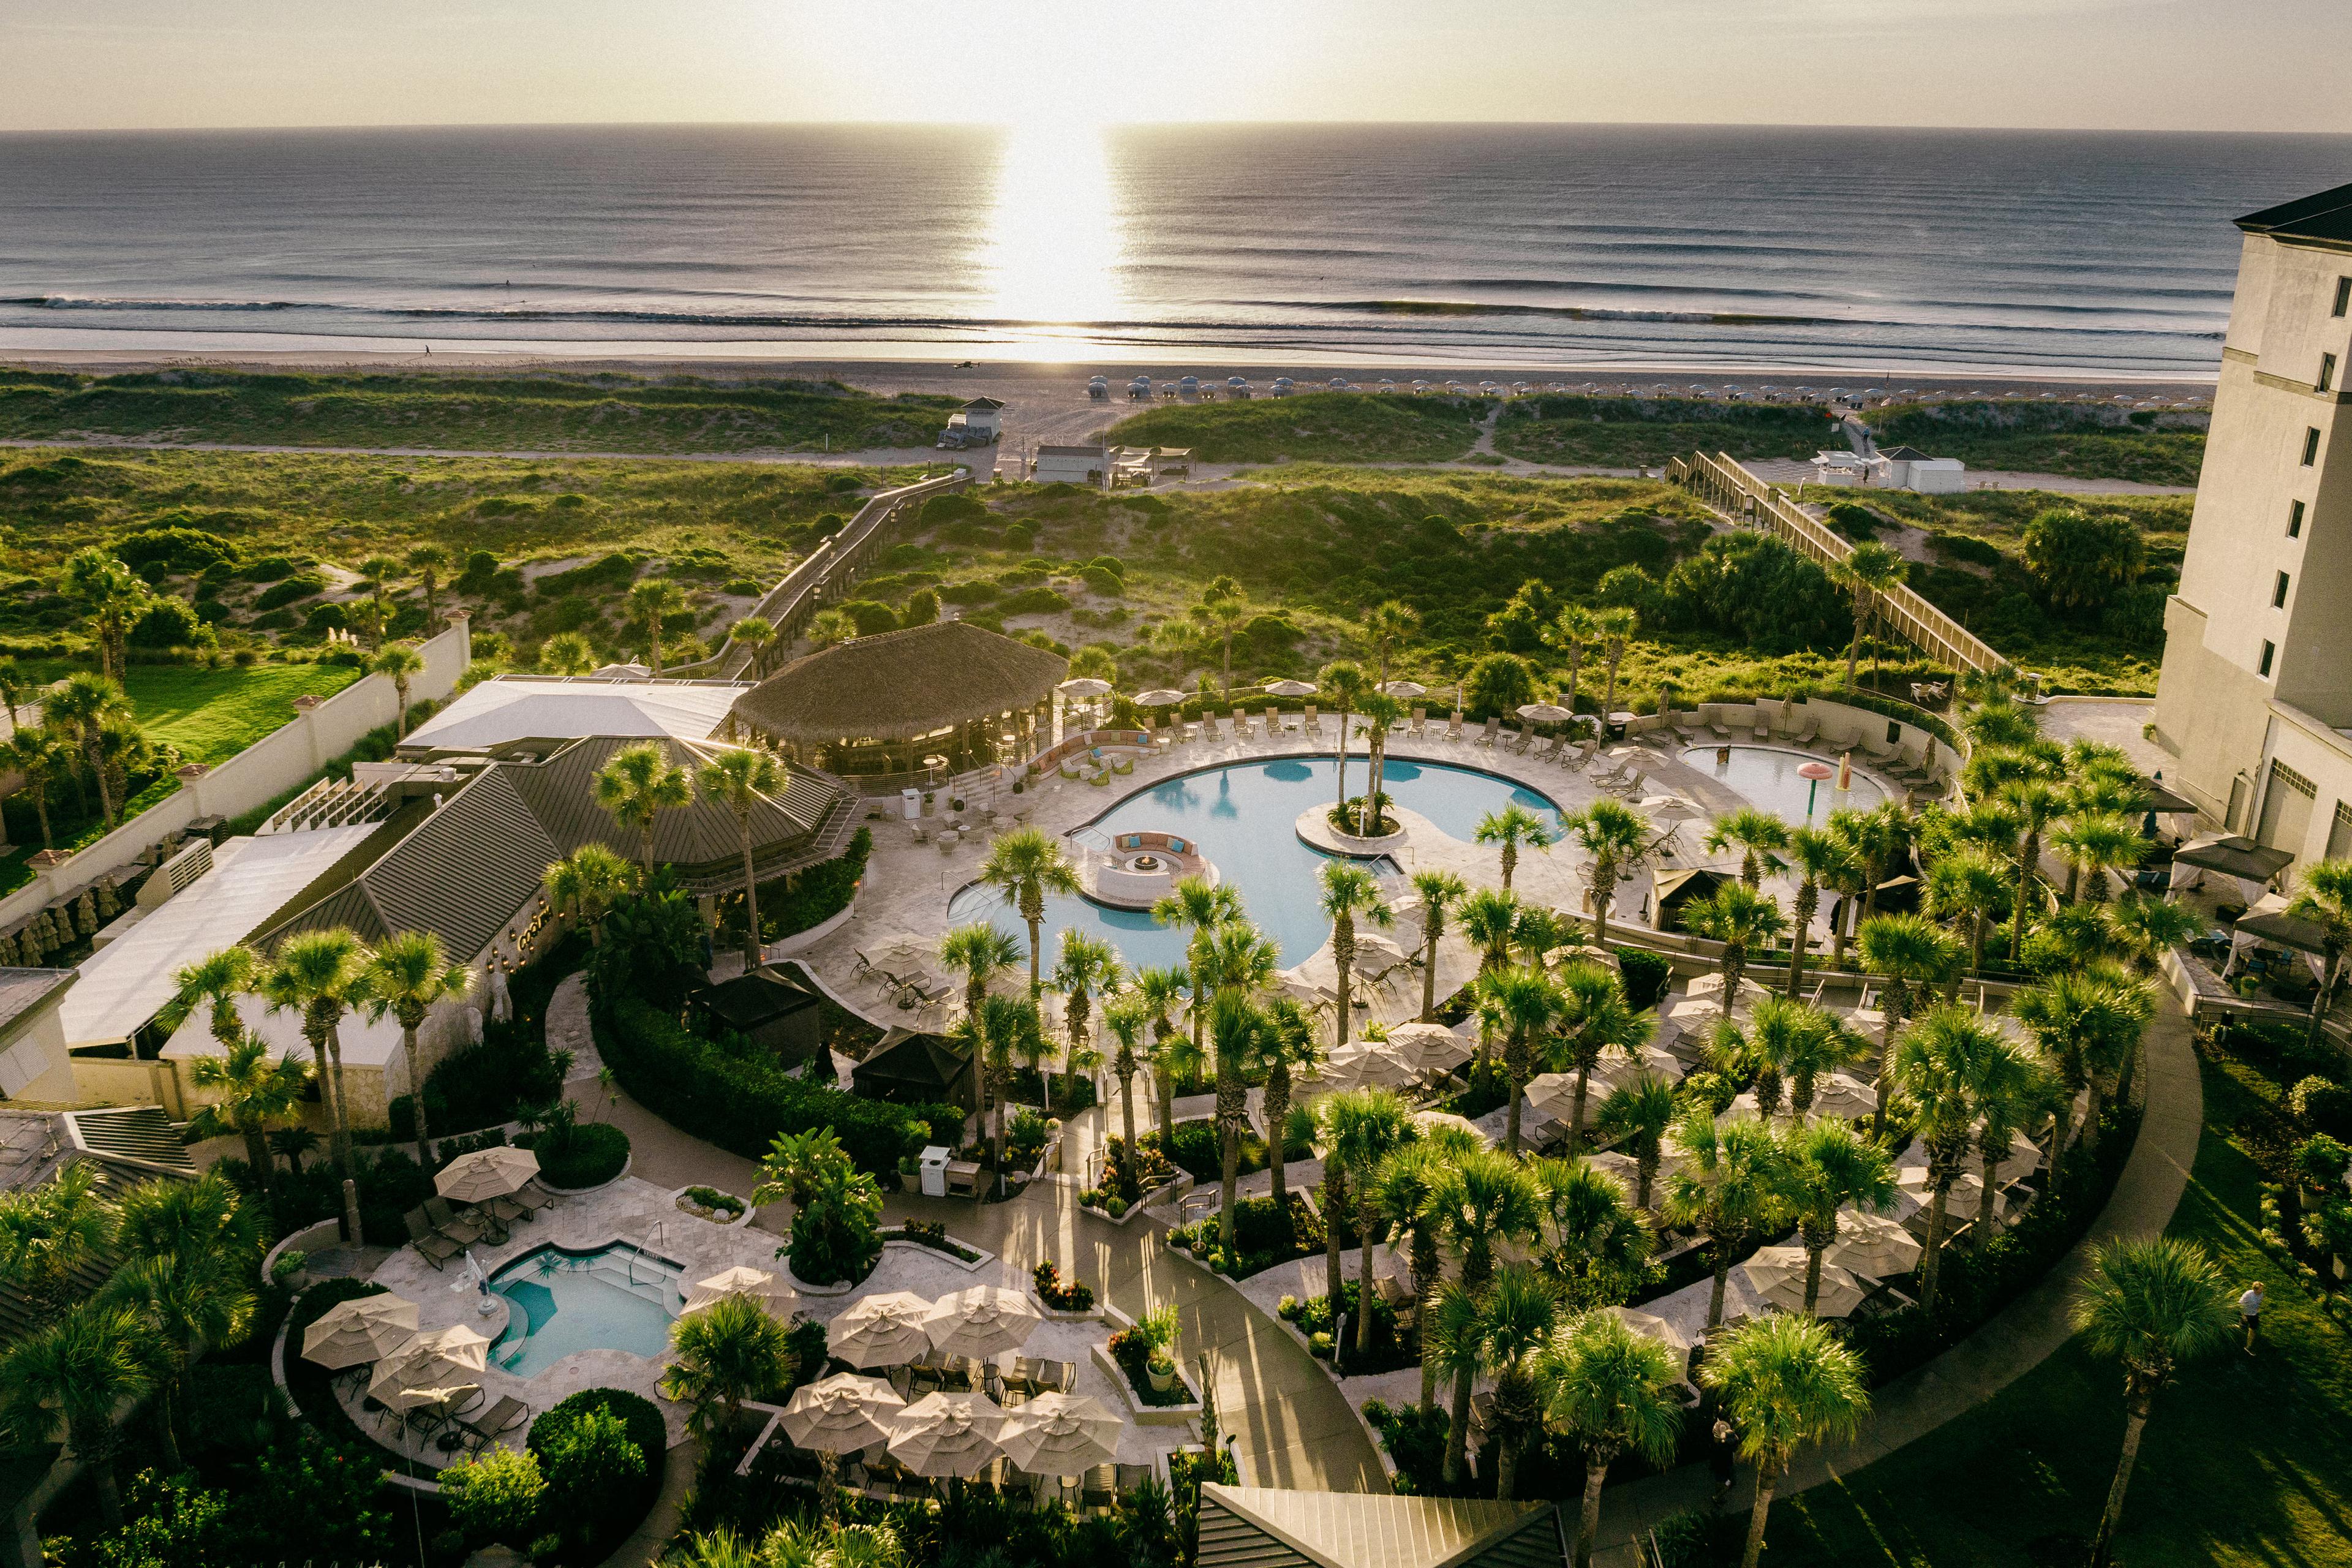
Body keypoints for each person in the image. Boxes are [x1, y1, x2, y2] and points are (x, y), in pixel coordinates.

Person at [1710, 1417, 1738, 1506]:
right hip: (1724, 1470)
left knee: (1719, 1483)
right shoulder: (1729, 1449)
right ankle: (1717, 1497)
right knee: (1729, 1483)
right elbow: (1729, 1463)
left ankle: (1718, 1496)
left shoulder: (1720, 1446)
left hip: (1718, 1469)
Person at [2241, 1282, 2264, 1354]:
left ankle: (2248, 1347)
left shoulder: (2261, 1295)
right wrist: (2243, 1315)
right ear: (2255, 1290)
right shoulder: (2248, 1295)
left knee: (2253, 1331)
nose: (2262, 1291)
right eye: (2260, 1290)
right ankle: (2226, 1327)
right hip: (2246, 1314)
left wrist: (2257, 1310)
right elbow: (2240, 1304)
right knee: (2241, 1328)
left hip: (2254, 1315)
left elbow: (2259, 1303)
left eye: (2262, 1289)